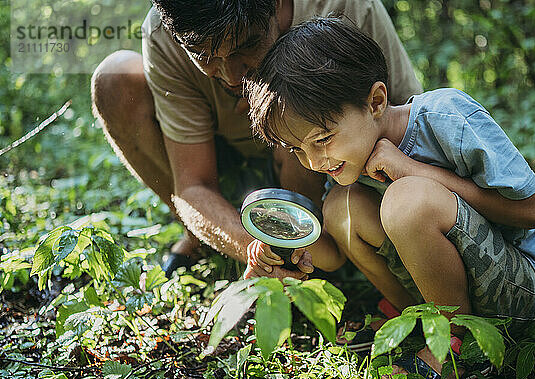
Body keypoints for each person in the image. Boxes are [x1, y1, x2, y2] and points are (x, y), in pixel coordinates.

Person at [245, 17, 535, 379]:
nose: (313, 162)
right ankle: (416, 319)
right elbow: (332, 254)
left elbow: (531, 211)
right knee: (340, 207)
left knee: (406, 200)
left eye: (323, 139)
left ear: (376, 101)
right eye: (298, 150)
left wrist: (413, 171)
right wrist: (278, 251)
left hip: (517, 288)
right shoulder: (349, 161)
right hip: (452, 288)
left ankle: (450, 343)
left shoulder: (445, 116)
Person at [90, 0, 422, 279]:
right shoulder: (168, 31)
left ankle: (319, 251)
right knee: (115, 78)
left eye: (245, 47)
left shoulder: (344, 6)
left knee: (299, 121)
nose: (233, 76)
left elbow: (404, 120)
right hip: (225, 162)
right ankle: (210, 236)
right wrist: (256, 249)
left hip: (324, 171)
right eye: (205, 56)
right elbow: (193, 186)